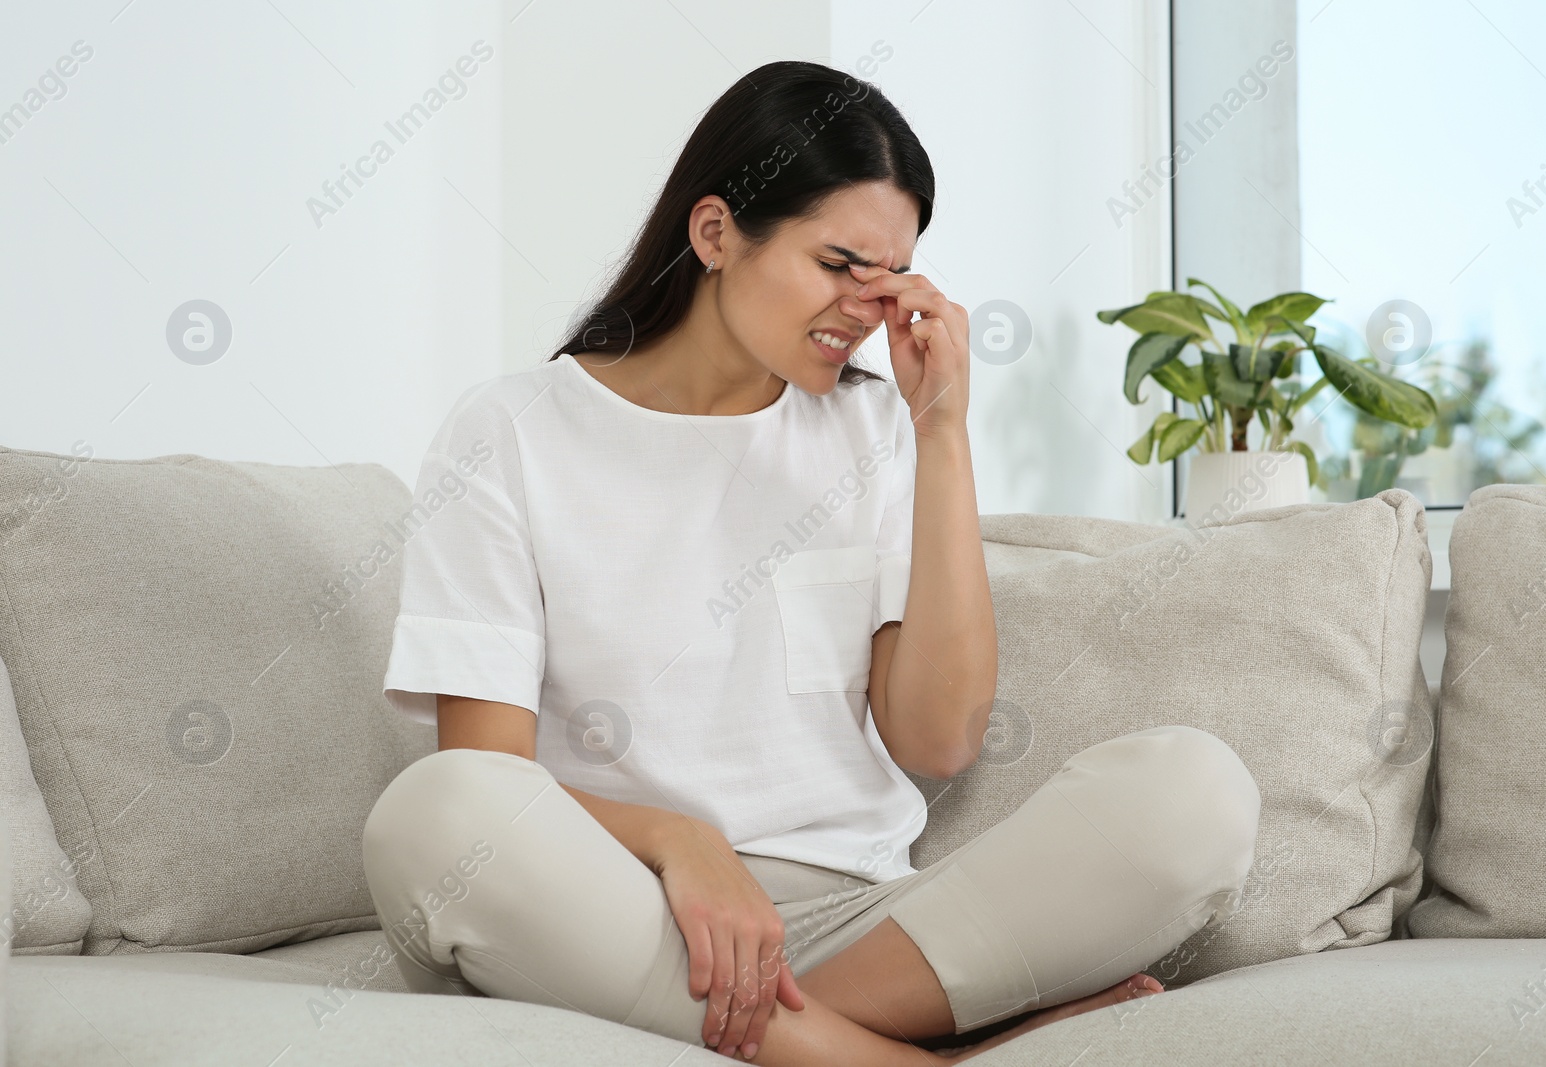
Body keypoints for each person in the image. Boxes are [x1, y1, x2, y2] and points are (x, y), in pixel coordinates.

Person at [362, 59, 1261, 1065]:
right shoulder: (510, 430)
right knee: (433, 816)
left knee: (1197, 793)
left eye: (886, 280)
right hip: (626, 908)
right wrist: (678, 840)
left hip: (853, 922)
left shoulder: (873, 426)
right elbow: (489, 773)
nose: (863, 309)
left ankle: (795, 1035)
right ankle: (914, 1057)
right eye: (838, 264)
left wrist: (942, 431)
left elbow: (938, 737)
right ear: (714, 234)